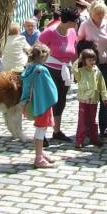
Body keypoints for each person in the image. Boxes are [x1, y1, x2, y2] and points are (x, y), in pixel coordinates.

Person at [38, 7, 80, 143]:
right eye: (74, 21)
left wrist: (76, 70)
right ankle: (41, 134)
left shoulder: (72, 31)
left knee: (61, 101)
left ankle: (57, 131)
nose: (76, 24)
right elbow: (36, 49)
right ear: (65, 21)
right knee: (47, 101)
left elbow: (74, 52)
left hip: (65, 71)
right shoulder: (49, 32)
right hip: (48, 70)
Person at [77, 0, 107, 138]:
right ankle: (88, 127)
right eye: (98, 13)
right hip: (90, 66)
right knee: (89, 96)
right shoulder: (85, 25)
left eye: (103, 13)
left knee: (104, 95)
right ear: (92, 13)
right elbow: (79, 43)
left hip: (105, 64)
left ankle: (104, 126)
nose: (100, 16)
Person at [20, 42, 58, 168]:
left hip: (33, 104)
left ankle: (41, 152)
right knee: (41, 130)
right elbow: (50, 88)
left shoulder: (29, 68)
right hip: (43, 104)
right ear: (43, 56)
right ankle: (38, 158)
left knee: (40, 130)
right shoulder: (42, 70)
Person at [72, 48, 107, 148]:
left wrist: (105, 98)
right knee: (82, 121)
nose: (92, 62)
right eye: (89, 60)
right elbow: (73, 69)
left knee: (93, 121)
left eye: (93, 59)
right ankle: (79, 140)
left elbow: (102, 85)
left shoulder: (97, 71)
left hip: (94, 99)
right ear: (84, 60)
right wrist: (78, 60)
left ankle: (94, 138)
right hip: (83, 100)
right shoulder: (80, 71)